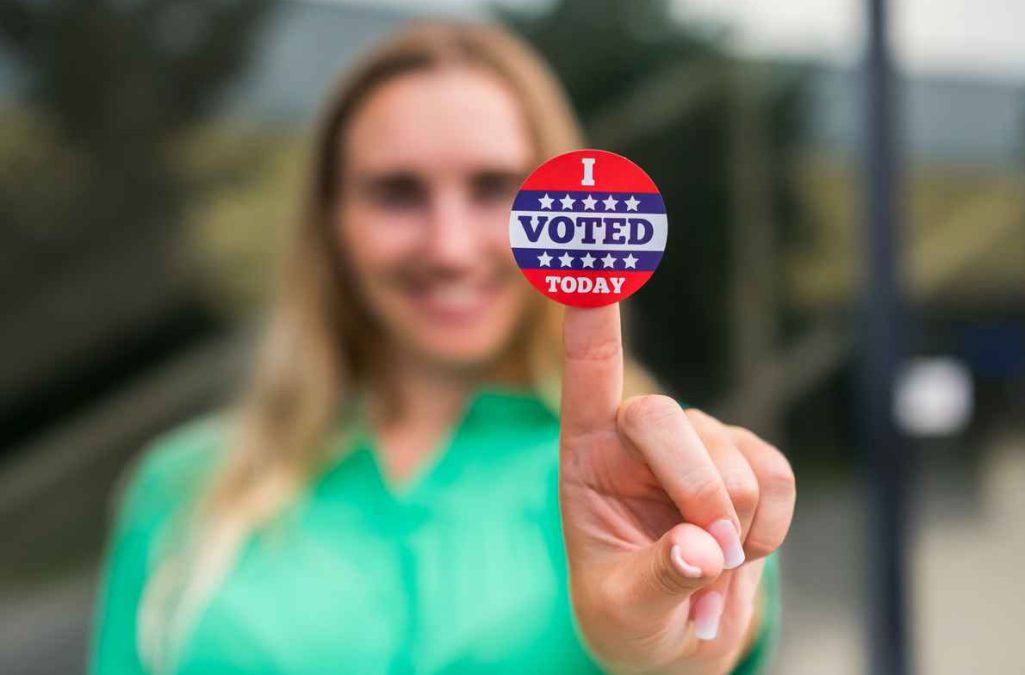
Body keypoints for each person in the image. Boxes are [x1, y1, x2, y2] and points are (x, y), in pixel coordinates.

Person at [89, 21, 796, 675]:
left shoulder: (666, 492)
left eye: (494, 187)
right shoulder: (180, 487)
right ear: (332, 224)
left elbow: (711, 642)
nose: (450, 248)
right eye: (397, 193)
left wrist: (676, 640)